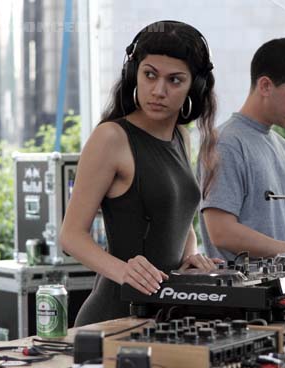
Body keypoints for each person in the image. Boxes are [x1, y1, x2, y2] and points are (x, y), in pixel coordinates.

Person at [60, 21, 220, 325]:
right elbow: (71, 236)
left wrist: (191, 255)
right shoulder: (111, 138)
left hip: (166, 314)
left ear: (195, 87)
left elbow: (179, 218)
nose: (159, 90)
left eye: (175, 80)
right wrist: (125, 271)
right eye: (150, 75)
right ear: (135, 75)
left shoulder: (180, 137)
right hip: (114, 318)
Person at [198, 38, 285, 262]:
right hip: (244, 295)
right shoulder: (226, 143)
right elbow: (222, 232)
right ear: (265, 86)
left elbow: (273, 232)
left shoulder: (284, 147)